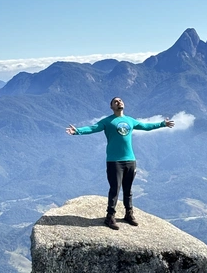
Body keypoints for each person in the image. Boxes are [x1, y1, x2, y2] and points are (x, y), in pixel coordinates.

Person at [66, 97, 175, 230]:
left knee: (128, 190)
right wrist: (77, 131)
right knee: (115, 189)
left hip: (130, 160)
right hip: (114, 161)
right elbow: (93, 128)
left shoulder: (130, 120)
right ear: (111, 106)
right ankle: (110, 216)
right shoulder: (107, 121)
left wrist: (162, 124)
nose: (119, 102)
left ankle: (129, 214)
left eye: (121, 100)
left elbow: (146, 126)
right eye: (115, 101)